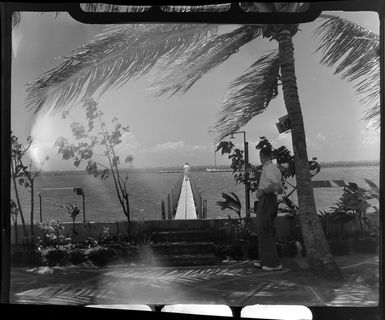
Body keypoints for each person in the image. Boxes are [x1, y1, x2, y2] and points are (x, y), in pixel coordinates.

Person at [254, 148, 283, 271]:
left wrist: (262, 192)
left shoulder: (268, 168)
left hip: (267, 200)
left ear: (261, 156)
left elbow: (276, 186)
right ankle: (265, 260)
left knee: (264, 230)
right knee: (263, 229)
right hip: (269, 200)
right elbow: (279, 187)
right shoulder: (274, 168)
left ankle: (273, 263)